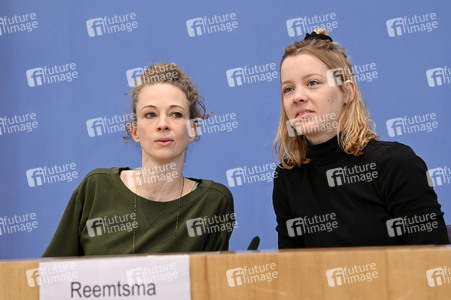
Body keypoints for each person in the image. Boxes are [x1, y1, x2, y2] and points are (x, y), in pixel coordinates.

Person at [272, 28, 449, 248]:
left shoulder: (395, 163)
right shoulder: (287, 177)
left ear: (346, 92)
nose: (297, 97)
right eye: (288, 89)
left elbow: (434, 266)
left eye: (312, 83)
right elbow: (294, 275)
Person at [43, 63, 235, 256]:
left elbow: (212, 282)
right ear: (134, 130)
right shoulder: (96, 189)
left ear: (193, 129)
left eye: (176, 114)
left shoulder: (213, 202)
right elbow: (50, 276)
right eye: (150, 114)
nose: (162, 124)